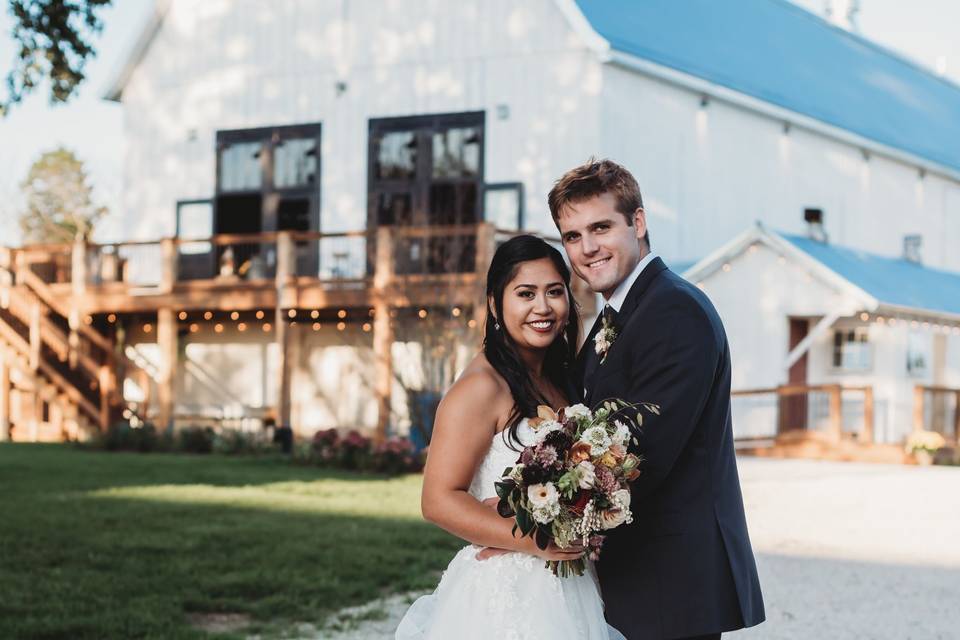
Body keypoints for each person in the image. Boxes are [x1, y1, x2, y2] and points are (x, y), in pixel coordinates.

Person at [550, 159, 766, 640]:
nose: (587, 248)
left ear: (638, 222)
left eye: (601, 227)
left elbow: (640, 454)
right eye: (572, 235)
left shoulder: (673, 310)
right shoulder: (621, 313)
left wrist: (538, 526)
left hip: (671, 578)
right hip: (641, 576)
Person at [395, 235, 625, 639]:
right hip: (508, 597)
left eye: (555, 292)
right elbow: (438, 499)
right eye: (525, 293)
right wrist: (536, 540)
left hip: (570, 586)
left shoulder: (559, 378)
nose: (543, 307)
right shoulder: (481, 386)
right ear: (494, 303)